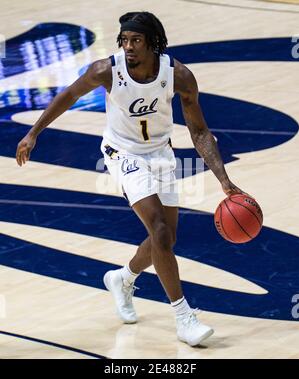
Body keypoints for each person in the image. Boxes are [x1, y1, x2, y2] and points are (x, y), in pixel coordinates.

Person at [16, 11, 246, 347]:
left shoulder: (178, 75)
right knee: (160, 231)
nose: (128, 47)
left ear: (153, 43)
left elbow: (199, 131)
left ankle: (123, 279)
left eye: (135, 40)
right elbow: (69, 95)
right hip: (122, 154)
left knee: (164, 241)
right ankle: (184, 318)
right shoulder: (105, 71)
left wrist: (224, 181)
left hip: (161, 153)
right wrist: (34, 133)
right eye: (123, 40)